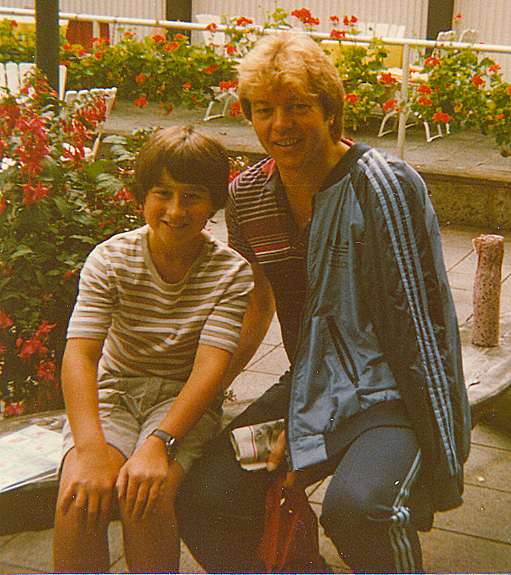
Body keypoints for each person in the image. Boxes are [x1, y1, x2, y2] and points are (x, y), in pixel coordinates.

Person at [175, 32, 472, 574]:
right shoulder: (248, 196)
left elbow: (421, 323)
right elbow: (257, 303)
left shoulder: (382, 186)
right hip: (309, 380)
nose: (280, 124)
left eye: (297, 107)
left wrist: (439, 443)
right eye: (264, 110)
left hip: (392, 389)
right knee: (204, 497)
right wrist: (201, 397)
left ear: (330, 110)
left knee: (361, 511)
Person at [52, 125, 253, 573]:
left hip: (181, 402)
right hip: (115, 392)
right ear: (142, 197)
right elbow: (81, 355)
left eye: (192, 196)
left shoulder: (231, 273)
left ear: (214, 203)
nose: (175, 210)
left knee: (146, 497)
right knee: (79, 499)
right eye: (163, 193)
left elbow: (209, 370)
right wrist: (89, 449)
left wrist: (159, 443)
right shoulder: (110, 259)